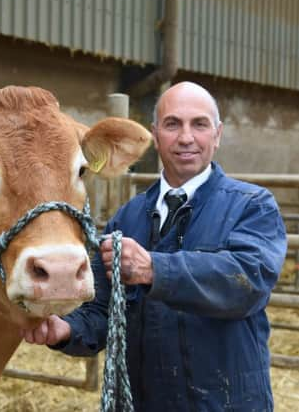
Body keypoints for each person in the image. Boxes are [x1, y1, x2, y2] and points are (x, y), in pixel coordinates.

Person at [22, 81, 287, 411]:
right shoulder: (127, 218)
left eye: (200, 124)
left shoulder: (252, 206)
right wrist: (66, 330)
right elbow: (102, 312)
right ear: (155, 135)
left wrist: (154, 269)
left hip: (227, 403)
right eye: (173, 124)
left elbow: (249, 281)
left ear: (217, 135)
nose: (186, 137)